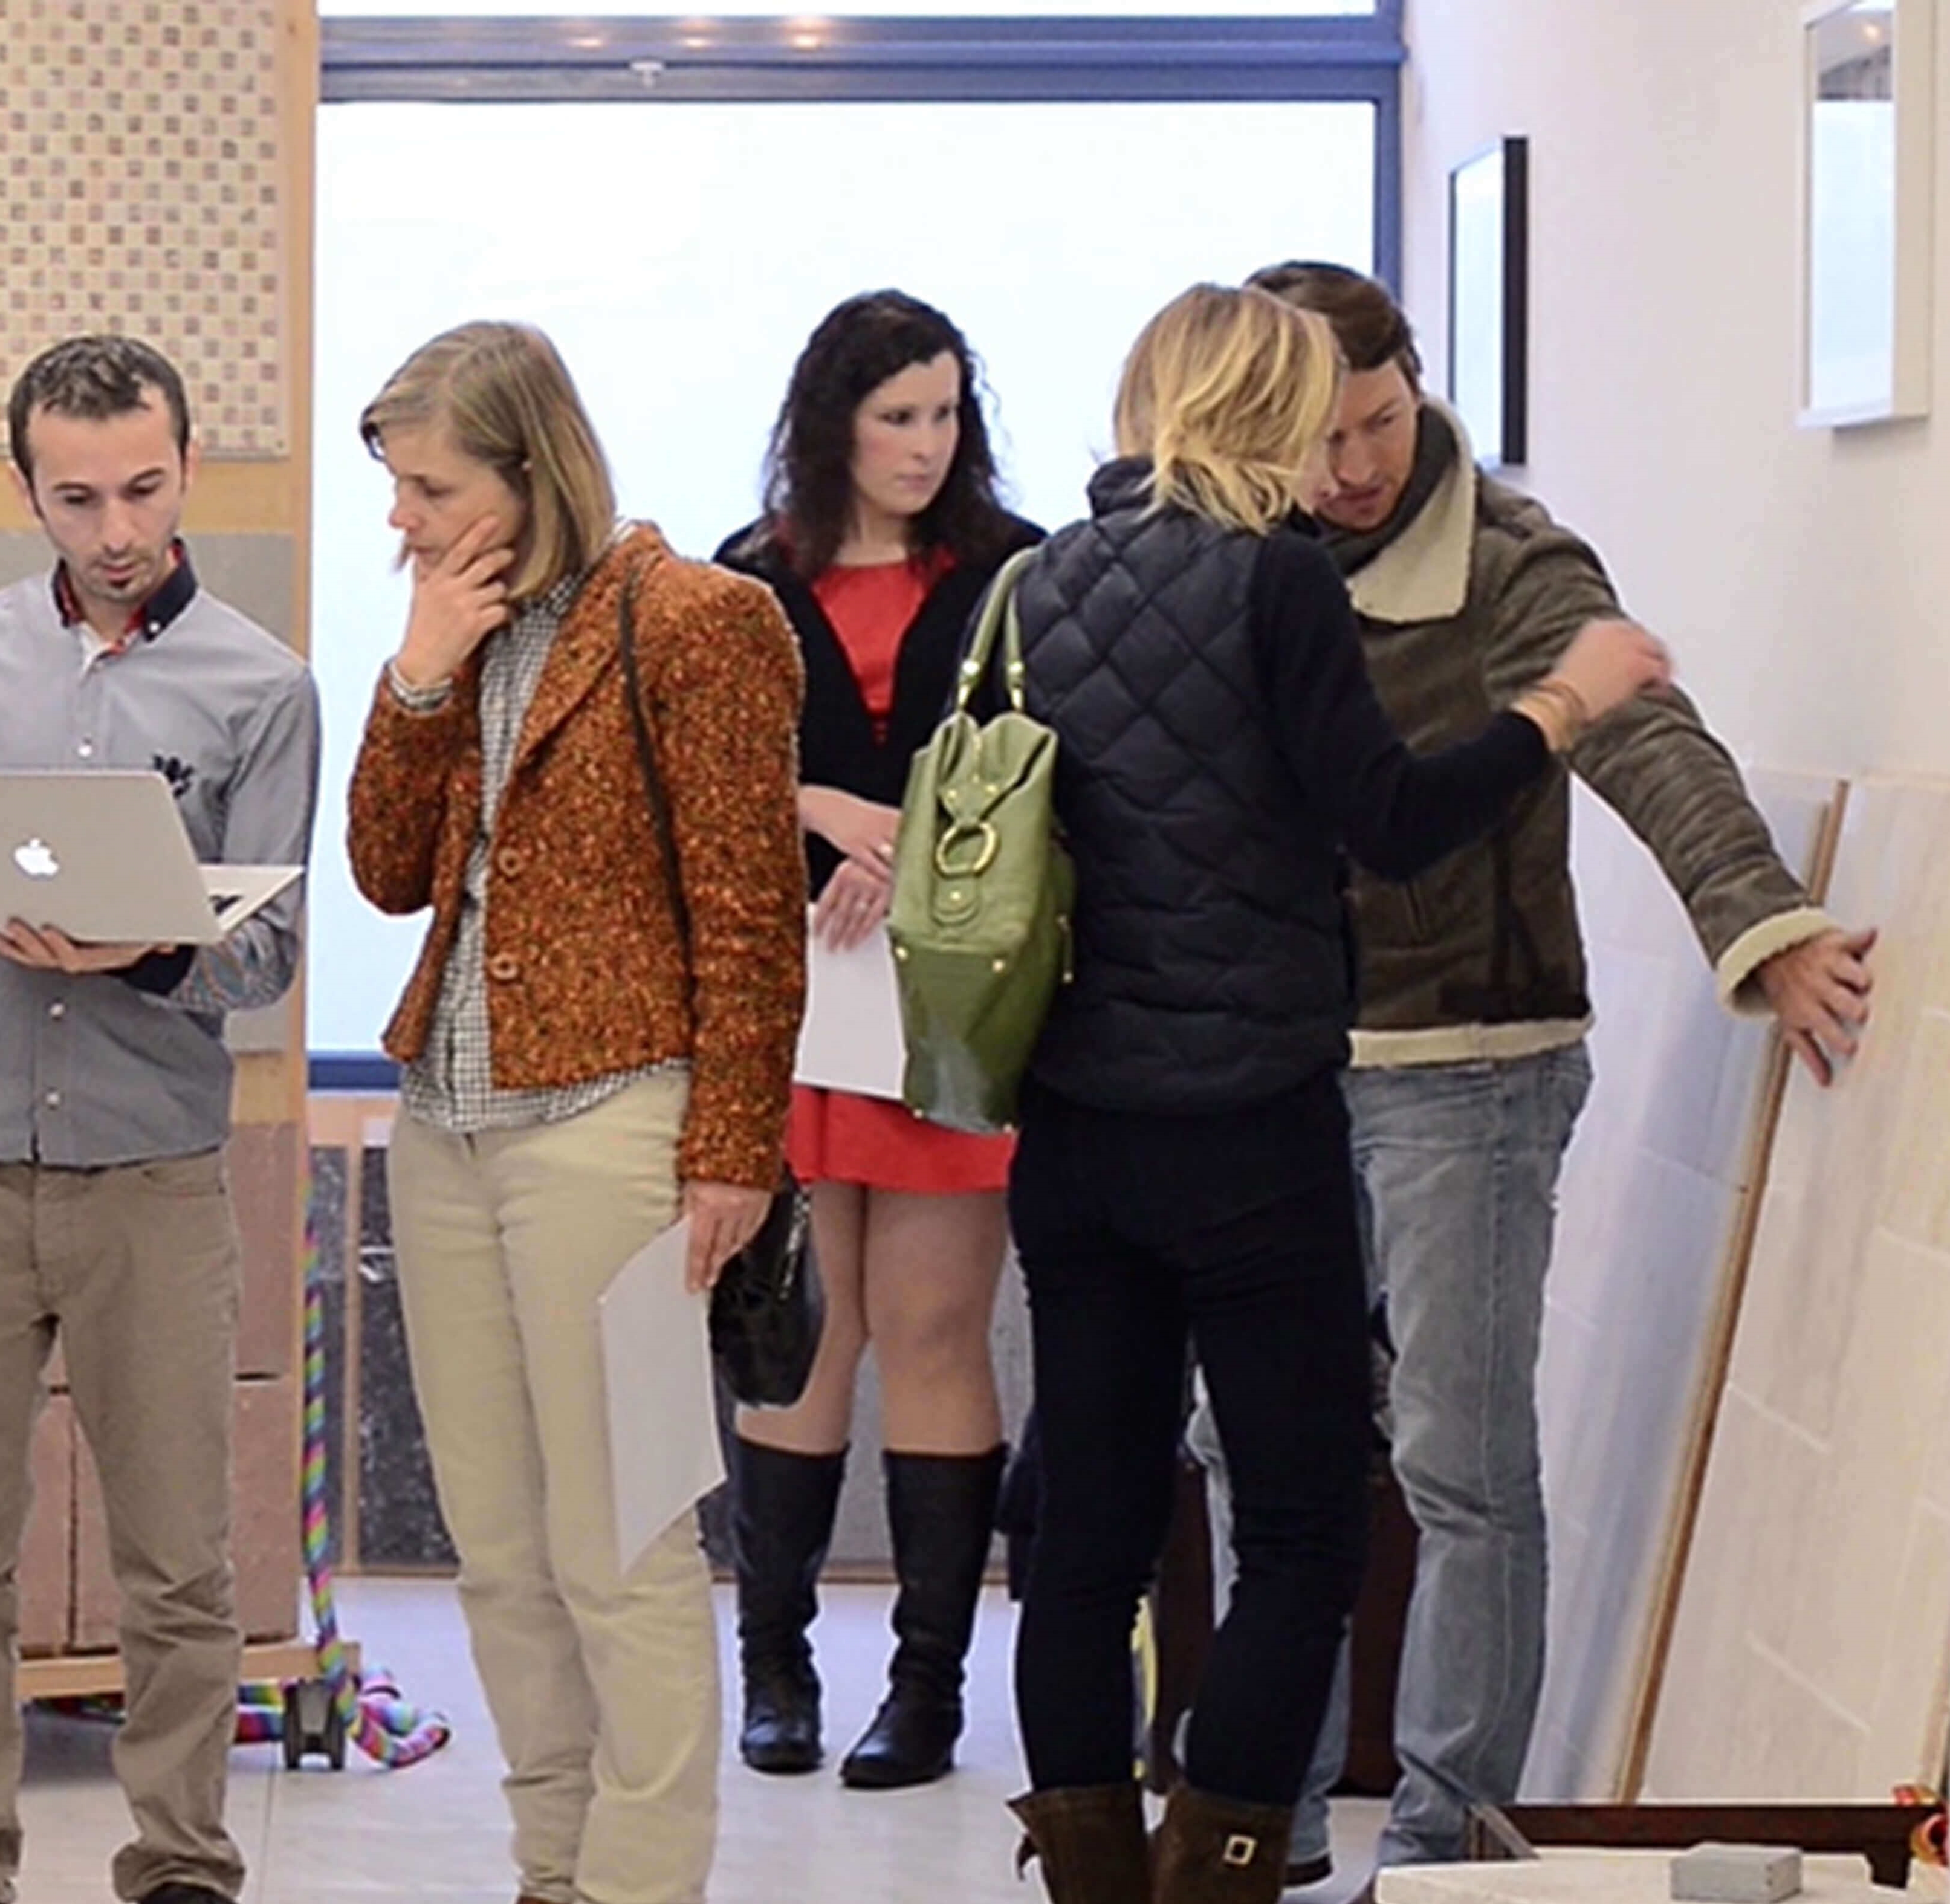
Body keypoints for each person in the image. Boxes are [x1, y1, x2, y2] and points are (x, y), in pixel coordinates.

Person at [1178, 259, 1882, 1879]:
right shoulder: (1213, 559)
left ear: (1417, 382)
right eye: (1318, 433)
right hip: (1267, 1071)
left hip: (1466, 1065)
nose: (1353, 464)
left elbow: (1641, 729)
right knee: (1250, 1450)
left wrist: (1755, 913)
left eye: (1379, 418)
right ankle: (1252, 1825)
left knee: (1454, 1457)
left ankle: (1445, 1841)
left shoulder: (1503, 555)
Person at [996, 285, 1668, 1904]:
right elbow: (1388, 816)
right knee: (1300, 1524)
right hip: (1250, 1137)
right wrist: (1559, 706)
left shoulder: (1033, 578)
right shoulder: (1275, 580)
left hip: (1073, 1134)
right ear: (1260, 414)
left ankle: (1092, 1875)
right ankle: (1222, 1869)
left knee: (1086, 1530)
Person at [0, 335, 318, 1904]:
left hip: (149, 1173)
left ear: (185, 466)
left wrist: (155, 942)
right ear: (24, 490)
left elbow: (265, 951)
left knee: (178, 1559)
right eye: (76, 495)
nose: (113, 529)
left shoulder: (262, 687)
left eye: (139, 486)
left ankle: (181, 1859)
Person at [346, 320, 804, 1904]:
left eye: (425, 485)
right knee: (499, 1544)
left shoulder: (695, 619)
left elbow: (748, 905)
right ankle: (552, 1863)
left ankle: (638, 1878)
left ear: (525, 471)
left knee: (621, 1545)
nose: (398, 517)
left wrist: (736, 1143)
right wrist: (414, 679)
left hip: (614, 1114)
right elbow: (388, 871)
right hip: (447, 1114)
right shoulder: (453, 627)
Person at [711, 289, 1043, 1790]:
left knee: (930, 1331)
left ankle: (927, 1690)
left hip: (946, 1002)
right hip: (785, 1000)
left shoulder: (1015, 572)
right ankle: (771, 1667)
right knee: (800, 1332)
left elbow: (1052, 778)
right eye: (897, 415)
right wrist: (816, 813)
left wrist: (908, 849)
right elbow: (699, 782)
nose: (926, 443)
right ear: (830, 423)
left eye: (947, 413)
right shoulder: (743, 578)